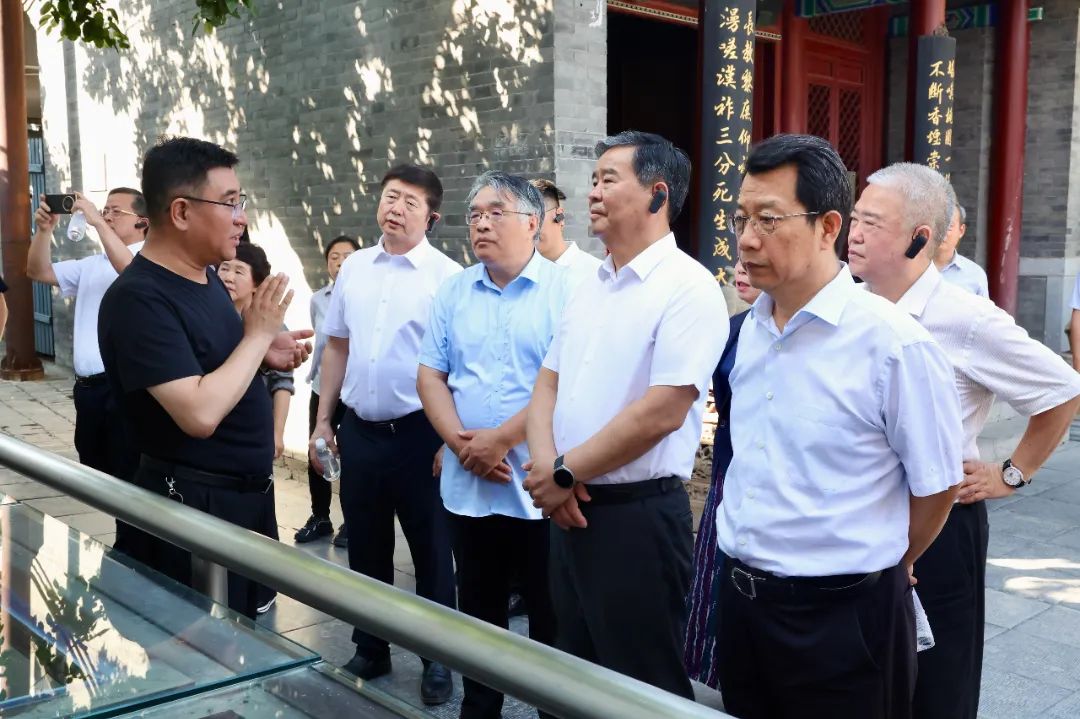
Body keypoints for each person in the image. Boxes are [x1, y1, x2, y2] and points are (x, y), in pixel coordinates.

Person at [714, 134, 964, 719]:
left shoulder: (892, 342)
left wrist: (891, 560)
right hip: (743, 602)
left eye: (769, 219)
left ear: (829, 226)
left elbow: (938, 484)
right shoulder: (749, 330)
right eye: (741, 218)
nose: (747, 238)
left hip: (843, 621)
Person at [848, 162, 1080, 719]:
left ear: (919, 237)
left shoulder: (966, 317)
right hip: (857, 522)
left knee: (935, 687)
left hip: (940, 526)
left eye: (871, 223)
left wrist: (1011, 473)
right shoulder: (848, 304)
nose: (853, 233)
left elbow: (1062, 390)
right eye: (854, 218)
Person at [523, 130, 728, 698]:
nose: (592, 192)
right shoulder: (588, 284)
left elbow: (662, 411)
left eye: (608, 180)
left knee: (642, 687)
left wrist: (565, 472)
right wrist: (549, 472)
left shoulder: (688, 287)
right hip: (567, 509)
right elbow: (547, 384)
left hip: (636, 521)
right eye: (593, 180)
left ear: (658, 194)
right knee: (570, 676)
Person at [97, 136, 311, 619]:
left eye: (241, 202)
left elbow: (212, 362)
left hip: (242, 502)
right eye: (229, 202)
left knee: (243, 638)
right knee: (197, 649)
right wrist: (257, 335)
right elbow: (198, 412)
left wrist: (260, 352)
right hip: (191, 510)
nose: (241, 217)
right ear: (181, 212)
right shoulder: (139, 298)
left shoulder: (206, 277)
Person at [418, 172, 568, 719]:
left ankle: (553, 709)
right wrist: (463, 447)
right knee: (478, 611)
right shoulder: (454, 290)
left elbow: (567, 381)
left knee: (552, 616)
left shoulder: (567, 291)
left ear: (533, 223)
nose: (481, 223)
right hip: (470, 486)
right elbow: (430, 375)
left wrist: (501, 440)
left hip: (540, 487)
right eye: (475, 213)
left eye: (496, 212)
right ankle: (479, 708)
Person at [310, 164, 460, 705]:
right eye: (390, 196)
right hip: (361, 432)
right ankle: (371, 646)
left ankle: (438, 657)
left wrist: (449, 437)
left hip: (421, 434)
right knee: (366, 545)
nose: (395, 208)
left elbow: (458, 365)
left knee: (431, 551)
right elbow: (337, 346)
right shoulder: (354, 268)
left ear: (431, 218)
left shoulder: (447, 277)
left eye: (410, 203)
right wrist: (324, 420)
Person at [28, 187, 149, 553]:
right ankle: (130, 540)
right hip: (88, 390)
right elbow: (37, 270)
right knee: (97, 469)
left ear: (143, 222)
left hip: (122, 389)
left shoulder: (148, 261)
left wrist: (96, 220)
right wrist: (44, 231)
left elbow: (131, 274)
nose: (107, 215)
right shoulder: (93, 264)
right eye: (105, 209)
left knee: (129, 475)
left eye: (116, 211)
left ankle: (134, 548)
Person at [683, 259, 760, 689]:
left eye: (750, 265)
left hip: (770, 486)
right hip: (728, 474)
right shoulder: (734, 328)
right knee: (711, 581)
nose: (740, 270)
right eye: (738, 265)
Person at [218, 241, 296, 615]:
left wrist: (276, 433)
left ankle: (264, 586)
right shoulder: (212, 315)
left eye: (238, 271)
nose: (228, 276)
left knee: (259, 509)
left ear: (256, 283)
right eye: (224, 268)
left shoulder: (267, 323)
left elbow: (283, 383)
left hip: (255, 432)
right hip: (221, 432)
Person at [295, 235, 359, 545]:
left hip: (354, 392)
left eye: (348, 256)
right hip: (323, 387)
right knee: (318, 450)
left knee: (352, 455)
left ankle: (352, 522)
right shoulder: (318, 299)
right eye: (334, 257)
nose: (340, 262)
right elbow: (324, 345)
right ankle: (320, 516)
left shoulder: (367, 297)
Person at [530, 179, 602, 287]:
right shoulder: (516, 277)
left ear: (559, 217)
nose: (529, 226)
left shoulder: (596, 274)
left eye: (536, 216)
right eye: (522, 217)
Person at [932, 201, 988, 297]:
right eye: (938, 224)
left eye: (949, 226)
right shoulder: (910, 267)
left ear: (961, 231)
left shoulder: (975, 275)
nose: (942, 231)